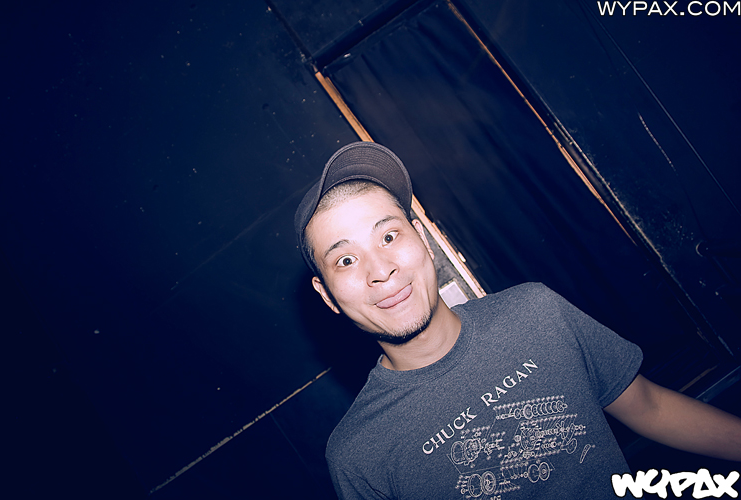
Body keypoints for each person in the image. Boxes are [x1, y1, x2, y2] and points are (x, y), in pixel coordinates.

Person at [294, 141, 741, 499]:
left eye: (389, 235)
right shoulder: (359, 455)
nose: (380, 269)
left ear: (424, 241)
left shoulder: (535, 313)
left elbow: (651, 407)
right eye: (346, 259)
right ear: (327, 295)